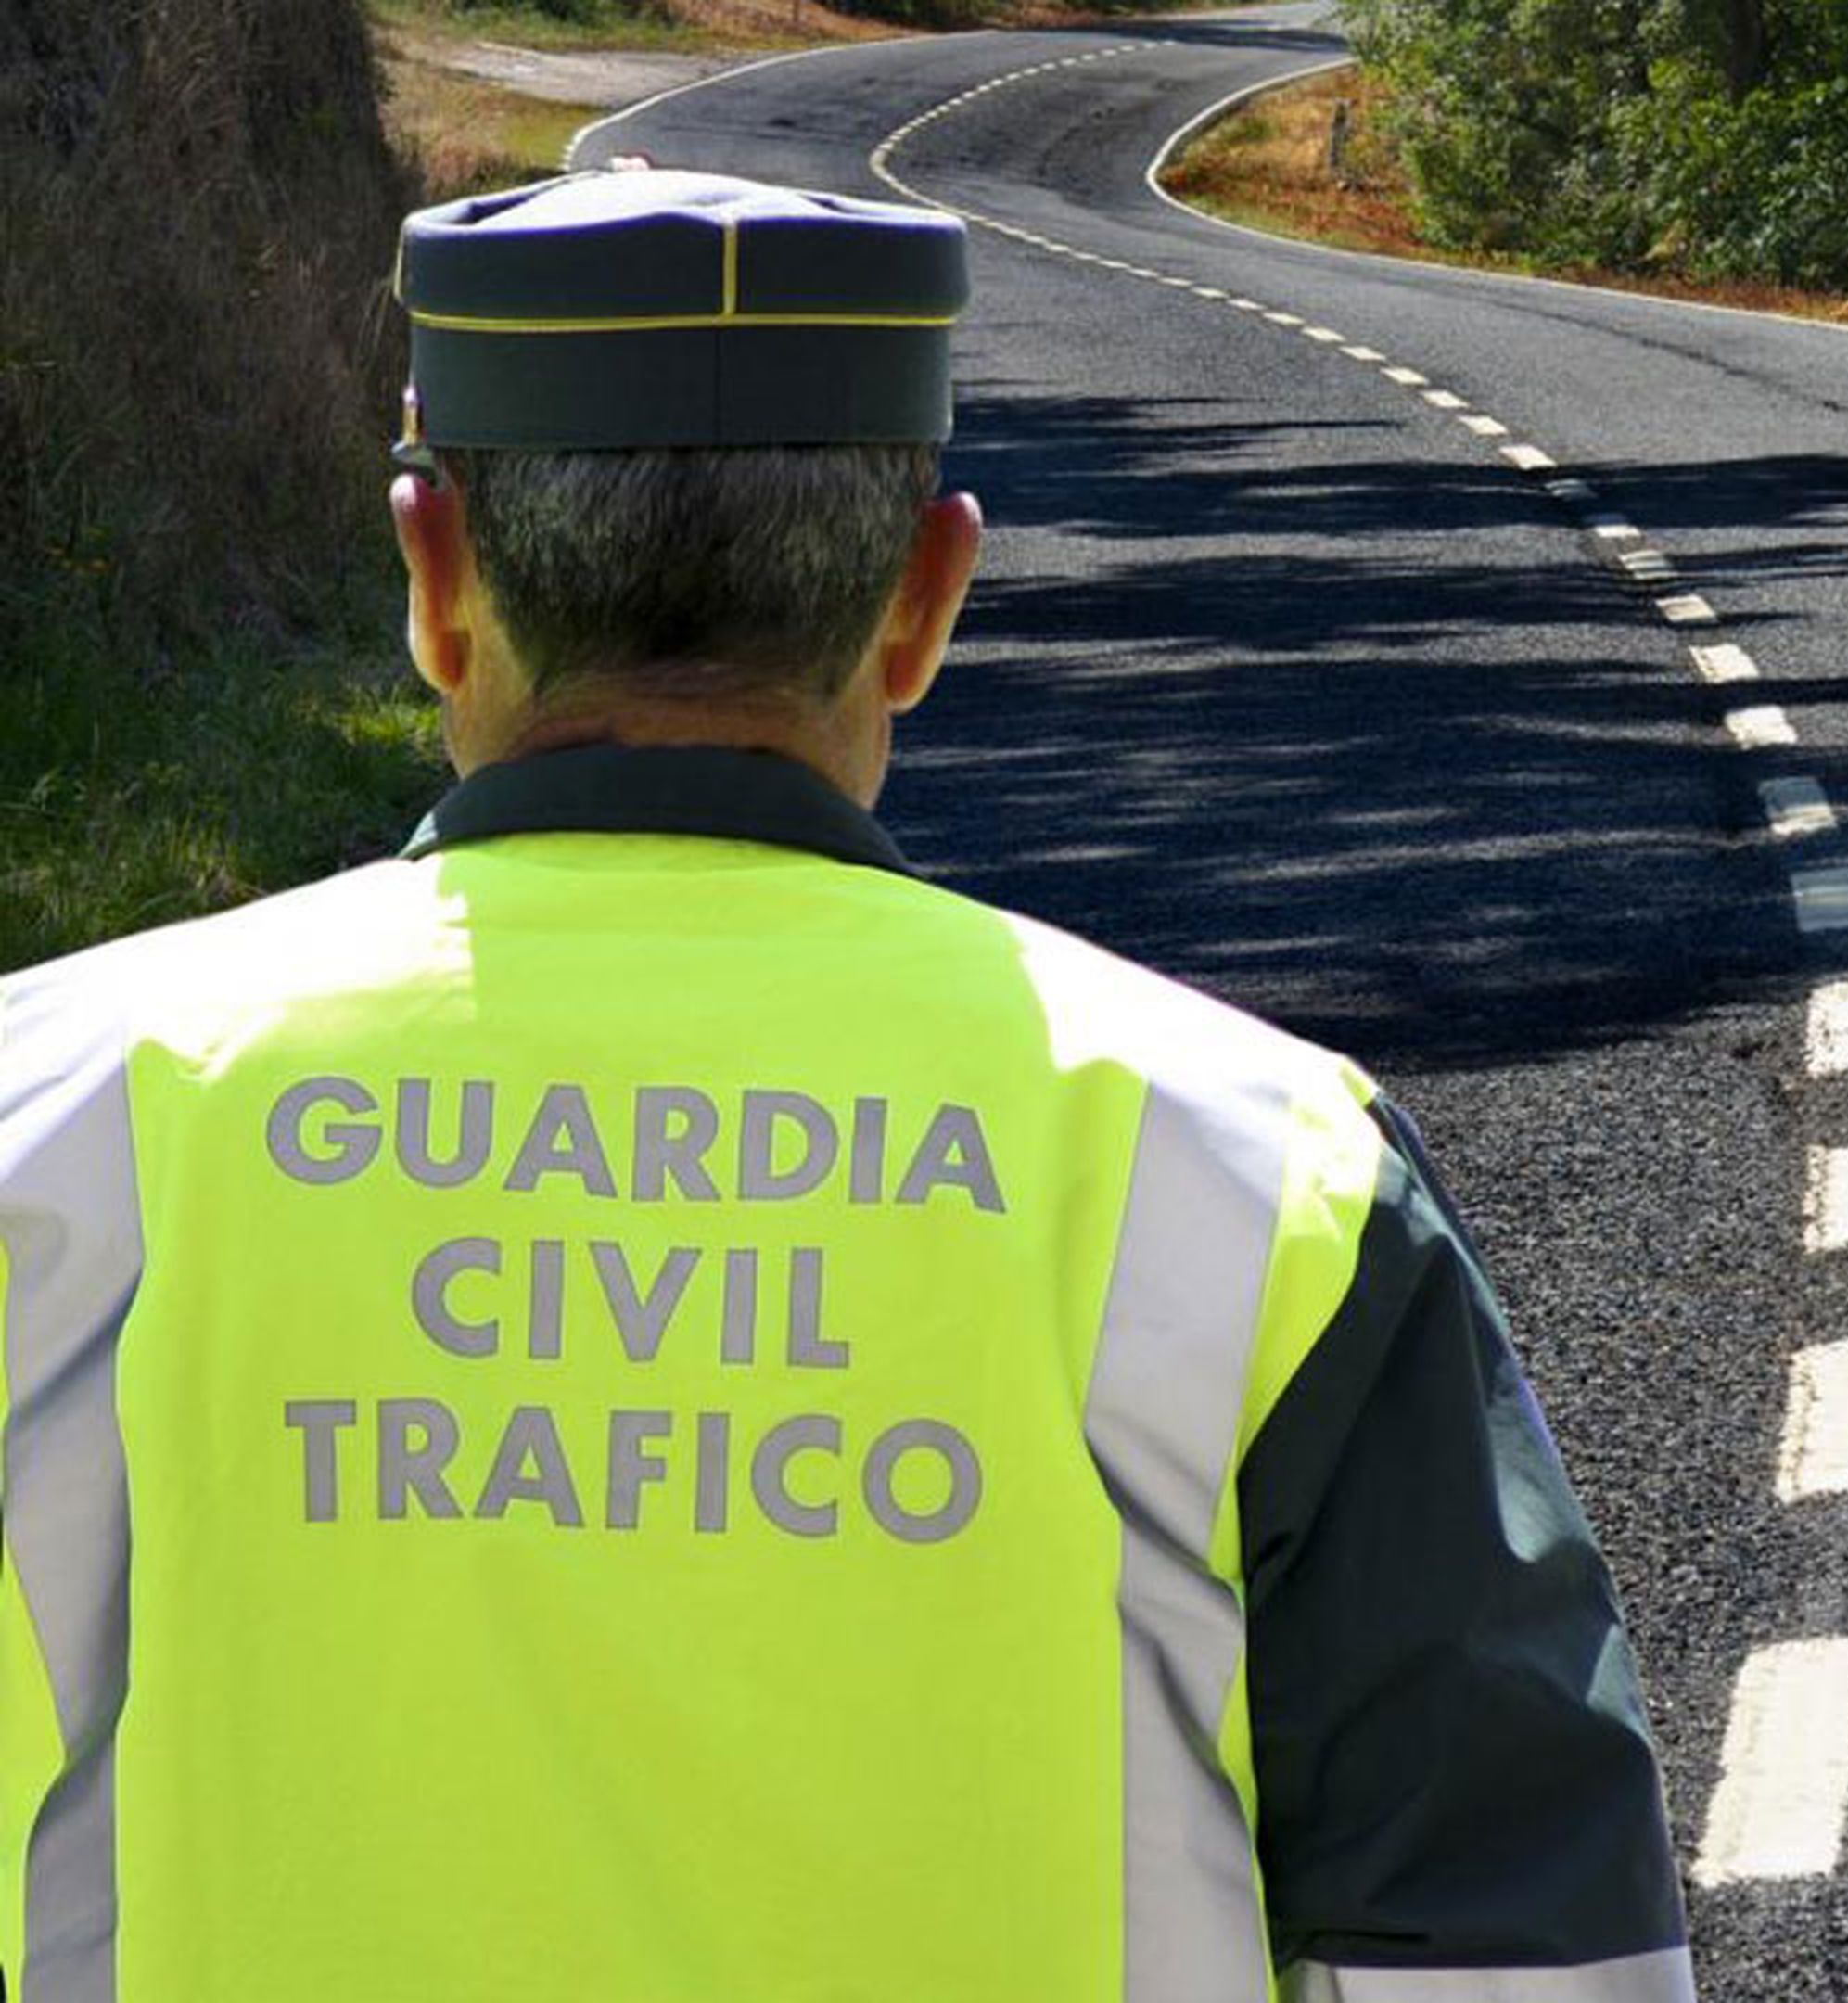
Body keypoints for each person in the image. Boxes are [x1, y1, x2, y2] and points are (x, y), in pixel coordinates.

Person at [0, 166, 1694, 2003]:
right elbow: (1523, 1949)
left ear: (430, 575)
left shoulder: (51, 1122)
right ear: (927, 595)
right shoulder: (1259, 1171)